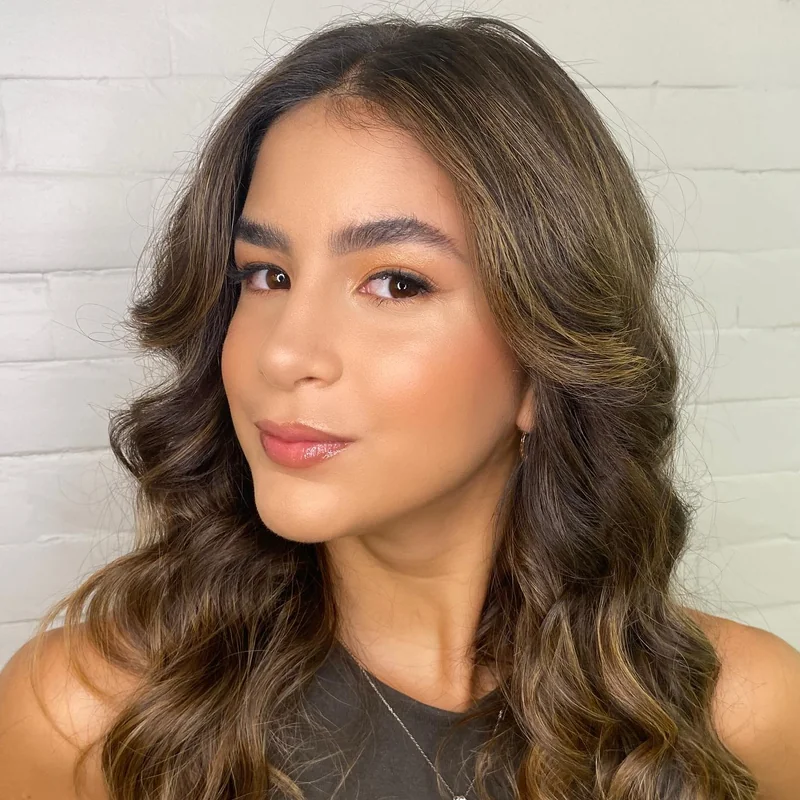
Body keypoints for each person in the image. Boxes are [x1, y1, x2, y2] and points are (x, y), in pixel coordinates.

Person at [1, 12, 799, 800]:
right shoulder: (86, 720)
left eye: (396, 283)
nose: (284, 354)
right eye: (267, 275)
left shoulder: (744, 718)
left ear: (544, 358)